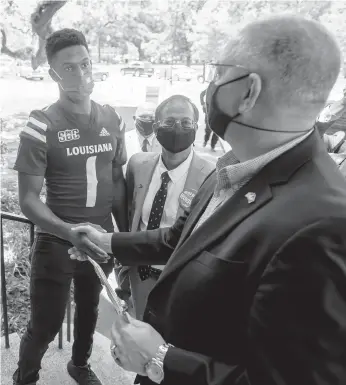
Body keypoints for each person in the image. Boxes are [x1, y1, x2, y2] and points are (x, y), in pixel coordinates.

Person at [70, 15, 346, 385]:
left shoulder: (323, 223)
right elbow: (180, 241)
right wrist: (107, 243)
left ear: (248, 92)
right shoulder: (233, 164)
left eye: (218, 74)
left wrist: (164, 360)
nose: (209, 85)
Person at [12, 28, 128, 385]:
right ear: (53, 74)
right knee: (45, 325)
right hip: (57, 240)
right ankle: (25, 377)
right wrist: (67, 232)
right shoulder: (41, 123)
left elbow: (118, 181)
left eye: (85, 64)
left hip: (100, 239)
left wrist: (126, 239)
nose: (80, 74)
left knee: (90, 311)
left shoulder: (112, 117)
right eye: (70, 68)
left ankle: (79, 365)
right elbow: (28, 199)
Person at [116, 95, 214, 320]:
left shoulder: (212, 176)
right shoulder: (138, 164)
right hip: (138, 276)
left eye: (186, 123)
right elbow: (132, 216)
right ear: (156, 126)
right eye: (169, 122)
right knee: (138, 340)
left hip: (180, 282)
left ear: (196, 128)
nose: (178, 128)